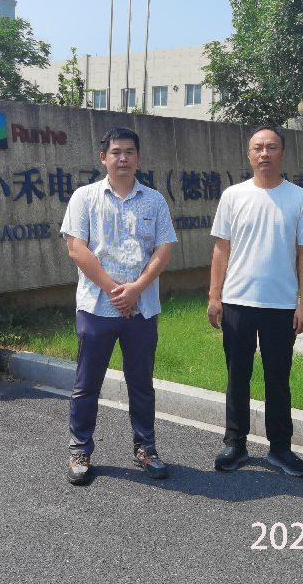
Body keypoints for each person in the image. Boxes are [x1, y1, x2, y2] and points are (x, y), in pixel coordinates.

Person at [60, 126, 177, 486]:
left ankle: (146, 448)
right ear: (103, 158)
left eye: (129, 152)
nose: (123, 158)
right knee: (86, 384)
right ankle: (80, 449)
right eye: (116, 152)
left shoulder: (154, 201)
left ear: (138, 158)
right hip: (97, 308)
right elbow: (76, 248)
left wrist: (136, 289)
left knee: (141, 384)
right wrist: (116, 292)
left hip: (142, 310)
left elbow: (163, 249)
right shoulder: (85, 198)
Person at [207, 124, 303, 477]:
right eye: (258, 147)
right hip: (237, 301)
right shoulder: (233, 196)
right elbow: (221, 249)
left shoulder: (299, 198)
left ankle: (280, 448)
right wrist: (214, 296)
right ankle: (235, 443)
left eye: (271, 147)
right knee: (237, 376)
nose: (264, 153)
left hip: (281, 306)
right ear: (249, 155)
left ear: (282, 154)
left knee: (278, 378)